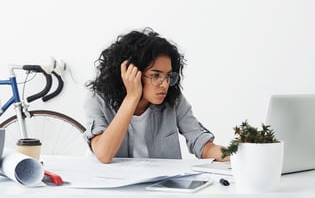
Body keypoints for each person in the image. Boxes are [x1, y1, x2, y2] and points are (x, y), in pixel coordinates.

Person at [83, 27, 229, 164]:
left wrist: (235, 154)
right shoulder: (98, 99)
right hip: (113, 186)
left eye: (167, 76)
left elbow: (202, 144)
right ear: (131, 73)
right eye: (155, 75)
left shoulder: (173, 100)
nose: (164, 84)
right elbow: (104, 154)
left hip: (158, 187)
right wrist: (132, 97)